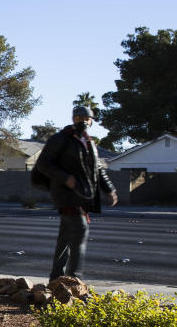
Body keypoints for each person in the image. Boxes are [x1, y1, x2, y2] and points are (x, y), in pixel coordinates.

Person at [34, 105, 117, 281]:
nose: (84, 121)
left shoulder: (90, 143)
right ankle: (74, 280)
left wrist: (109, 189)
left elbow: (98, 169)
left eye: (87, 119)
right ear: (73, 119)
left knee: (66, 237)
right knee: (80, 229)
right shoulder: (60, 139)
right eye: (80, 118)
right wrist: (66, 178)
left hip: (83, 196)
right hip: (65, 194)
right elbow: (43, 164)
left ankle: (56, 279)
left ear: (92, 121)